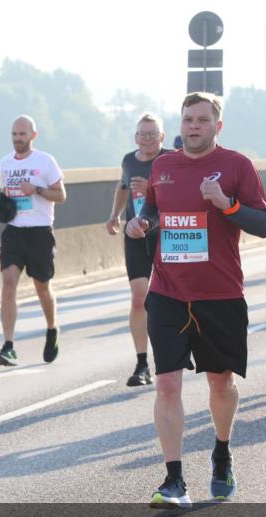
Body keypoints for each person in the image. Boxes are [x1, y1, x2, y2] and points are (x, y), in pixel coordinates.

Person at [126, 92, 266, 507]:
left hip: (220, 294)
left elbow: (263, 224)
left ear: (217, 126)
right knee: (167, 384)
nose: (193, 126)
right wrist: (142, 222)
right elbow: (154, 208)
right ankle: (174, 481)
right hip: (168, 291)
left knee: (220, 383)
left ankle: (221, 453)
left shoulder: (236, 165)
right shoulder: (164, 165)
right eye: (188, 119)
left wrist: (227, 205)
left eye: (202, 120)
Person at [104, 114, 172, 386]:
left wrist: (151, 188)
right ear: (135, 138)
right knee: (138, 298)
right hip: (135, 234)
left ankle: (172, 353)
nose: (147, 138)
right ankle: (142, 363)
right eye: (142, 134)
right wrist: (114, 215)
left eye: (152, 133)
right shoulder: (129, 160)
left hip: (166, 234)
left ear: (162, 137)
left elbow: (181, 195)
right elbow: (122, 187)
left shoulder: (171, 160)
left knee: (169, 299)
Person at [0, 115, 67, 366]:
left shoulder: (45, 161)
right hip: (14, 231)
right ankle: (8, 346)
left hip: (39, 232)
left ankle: (52, 328)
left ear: (33, 136)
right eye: (14, 134)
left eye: (22, 135)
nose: (17, 139)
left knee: (42, 288)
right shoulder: (5, 163)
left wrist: (36, 189)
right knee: (8, 284)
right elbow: (7, 194)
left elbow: (61, 195)